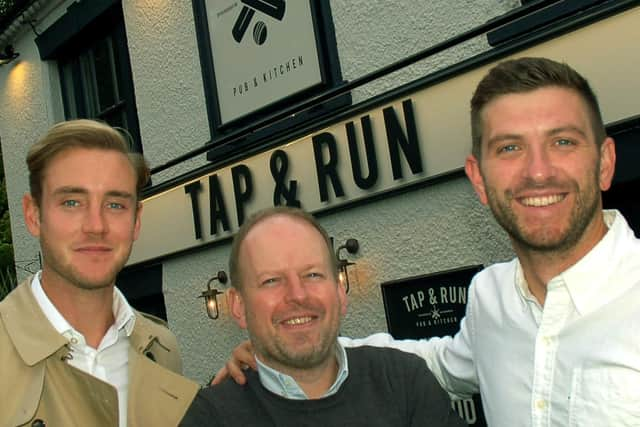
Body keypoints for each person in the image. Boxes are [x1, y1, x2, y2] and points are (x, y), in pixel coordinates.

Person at [215, 57, 640, 427]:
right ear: (479, 179)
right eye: (509, 148)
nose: (538, 171)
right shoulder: (492, 298)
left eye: (562, 141)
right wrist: (289, 343)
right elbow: (435, 363)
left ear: (605, 163)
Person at [180, 207, 465, 427]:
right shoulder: (210, 419)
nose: (298, 295)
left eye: (313, 274)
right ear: (238, 305)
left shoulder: (404, 382)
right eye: (271, 281)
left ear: (340, 292)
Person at [0, 119, 198, 426]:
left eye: (115, 204)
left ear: (136, 220)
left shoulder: (161, 349)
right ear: (33, 214)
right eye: (72, 202)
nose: (96, 225)